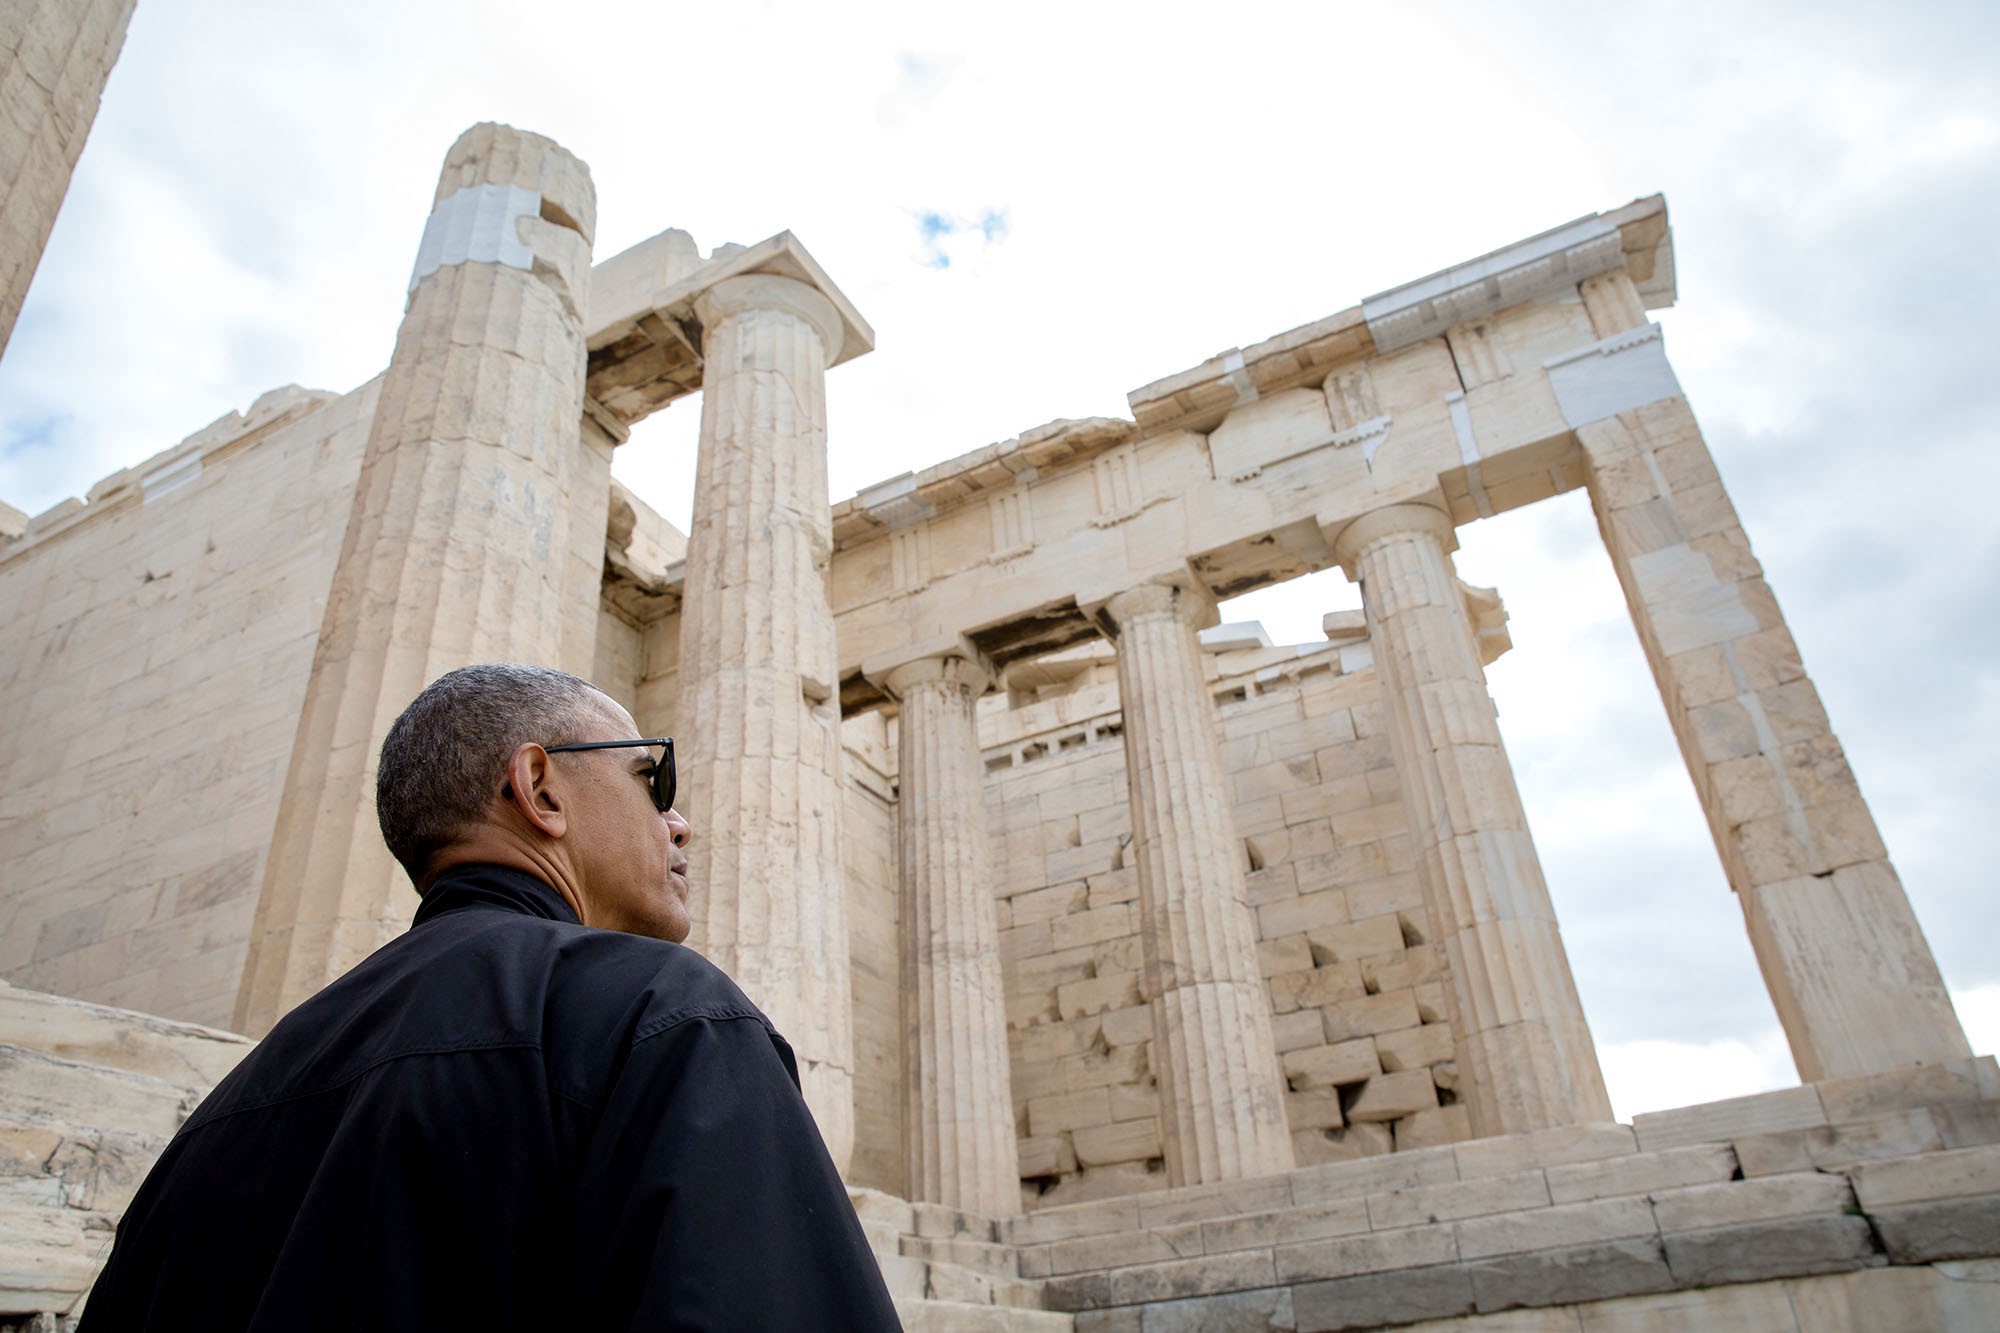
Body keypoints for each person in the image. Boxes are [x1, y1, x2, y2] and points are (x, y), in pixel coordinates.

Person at [78, 663, 902, 1331]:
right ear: (540, 788)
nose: (679, 820)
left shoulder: (232, 1105)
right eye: (651, 777)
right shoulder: (662, 1017)